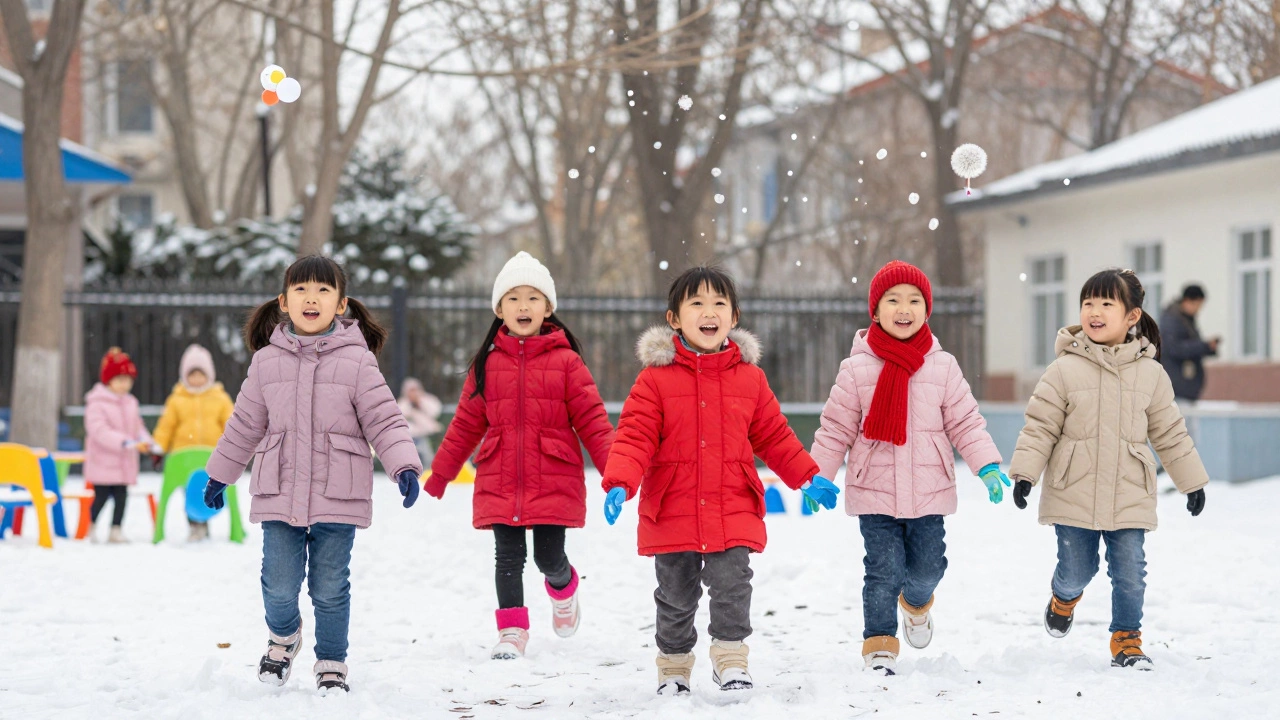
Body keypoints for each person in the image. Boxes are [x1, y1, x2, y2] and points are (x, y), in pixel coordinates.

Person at [601, 266, 840, 695]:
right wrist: (620, 480)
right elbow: (634, 435)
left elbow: (773, 434)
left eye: (718, 304)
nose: (708, 312)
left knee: (733, 585)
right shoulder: (654, 380)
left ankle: (731, 659)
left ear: (733, 317)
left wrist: (807, 476)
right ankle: (673, 666)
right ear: (674, 318)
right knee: (675, 595)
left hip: (732, 505)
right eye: (696, 303)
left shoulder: (749, 378)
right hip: (672, 506)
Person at [202, 256, 422, 694]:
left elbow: (385, 419)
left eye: (323, 290)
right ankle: (284, 637)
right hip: (280, 490)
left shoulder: (358, 363)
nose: (312, 298)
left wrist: (403, 465)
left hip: (338, 494)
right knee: (279, 583)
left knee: (329, 587)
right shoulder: (266, 363)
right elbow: (245, 424)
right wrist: (220, 474)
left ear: (341, 305)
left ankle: (332, 661)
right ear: (284, 302)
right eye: (302, 289)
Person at [810, 260, 1008, 676]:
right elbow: (835, 428)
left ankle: (916, 604)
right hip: (874, 491)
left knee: (929, 567)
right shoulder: (856, 369)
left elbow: (965, 421)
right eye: (893, 299)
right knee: (882, 570)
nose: (905, 308)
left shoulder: (942, 366)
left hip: (928, 490)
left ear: (926, 309)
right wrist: (818, 475)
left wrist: (986, 464)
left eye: (915, 300)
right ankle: (880, 644)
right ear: (876, 311)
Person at [1009, 268, 1209, 670]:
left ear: (1132, 316)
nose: (1094, 312)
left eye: (1105, 304)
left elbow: (1169, 432)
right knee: (1077, 569)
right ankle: (1063, 597)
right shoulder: (1064, 370)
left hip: (1129, 488)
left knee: (1131, 571)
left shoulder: (1151, 374)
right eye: (1087, 304)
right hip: (1073, 488)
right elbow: (1041, 425)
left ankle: (1127, 639)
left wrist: (1192, 482)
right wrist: (1026, 472)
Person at [425, 252, 615, 660]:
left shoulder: (566, 362)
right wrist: (440, 474)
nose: (523, 306)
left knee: (548, 556)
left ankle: (564, 590)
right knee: (507, 557)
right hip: (500, 475)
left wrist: (615, 473)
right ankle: (512, 631)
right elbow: (464, 425)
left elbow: (593, 421)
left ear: (548, 308)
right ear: (499, 309)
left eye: (533, 297)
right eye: (513, 298)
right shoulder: (487, 364)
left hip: (554, 474)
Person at [152, 343, 235, 541]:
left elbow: (231, 422)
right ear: (184, 376)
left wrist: (234, 446)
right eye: (192, 375)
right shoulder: (177, 399)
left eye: (201, 375)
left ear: (209, 375)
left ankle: (205, 522)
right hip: (184, 455)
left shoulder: (219, 398)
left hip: (211, 455)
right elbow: (167, 425)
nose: (196, 380)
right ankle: (194, 524)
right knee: (190, 491)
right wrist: (159, 446)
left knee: (209, 490)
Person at [84, 347, 155, 544]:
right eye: (120, 379)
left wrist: (146, 441)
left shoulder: (131, 402)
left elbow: (137, 426)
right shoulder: (97, 402)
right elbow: (98, 430)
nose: (125, 384)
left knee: (122, 497)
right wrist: (125, 442)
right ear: (109, 380)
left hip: (123, 463)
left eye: (128, 380)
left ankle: (116, 529)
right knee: (101, 497)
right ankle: (91, 525)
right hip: (103, 462)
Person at [1158, 284, 1219, 402]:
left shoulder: (1185, 319)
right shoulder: (1172, 319)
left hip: (1184, 387)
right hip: (1177, 386)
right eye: (1197, 305)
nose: (1198, 309)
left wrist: (1207, 348)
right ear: (1188, 301)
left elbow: (1189, 345)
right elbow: (1175, 348)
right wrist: (1204, 346)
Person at [398, 377, 442, 468]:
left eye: (415, 390)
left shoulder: (428, 400)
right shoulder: (403, 403)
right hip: (413, 436)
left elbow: (435, 411)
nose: (413, 393)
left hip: (430, 435)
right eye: (411, 390)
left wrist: (420, 403)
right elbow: (402, 414)